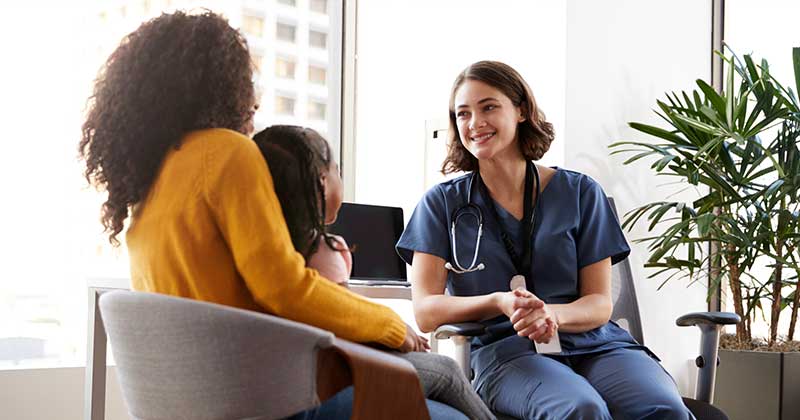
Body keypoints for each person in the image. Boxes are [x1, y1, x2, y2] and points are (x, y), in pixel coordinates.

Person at [78, 11, 464, 419]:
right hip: (263, 398)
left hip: (196, 402)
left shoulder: (146, 184)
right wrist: (388, 324)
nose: (253, 98)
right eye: (245, 82)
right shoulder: (227, 152)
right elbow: (283, 288)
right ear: (221, 83)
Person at [396, 60, 694, 420]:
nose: (475, 123)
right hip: (507, 352)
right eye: (463, 114)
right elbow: (426, 311)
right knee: (581, 409)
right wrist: (500, 302)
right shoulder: (442, 204)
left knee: (663, 410)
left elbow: (599, 303)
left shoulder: (580, 193)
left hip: (595, 345)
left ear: (521, 110)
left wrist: (550, 314)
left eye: (488, 107)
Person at [252, 125, 496, 420]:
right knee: (447, 371)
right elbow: (342, 325)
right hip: (336, 373)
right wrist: (394, 337)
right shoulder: (325, 251)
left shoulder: (257, 250)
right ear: (322, 183)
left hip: (282, 377)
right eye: (337, 172)